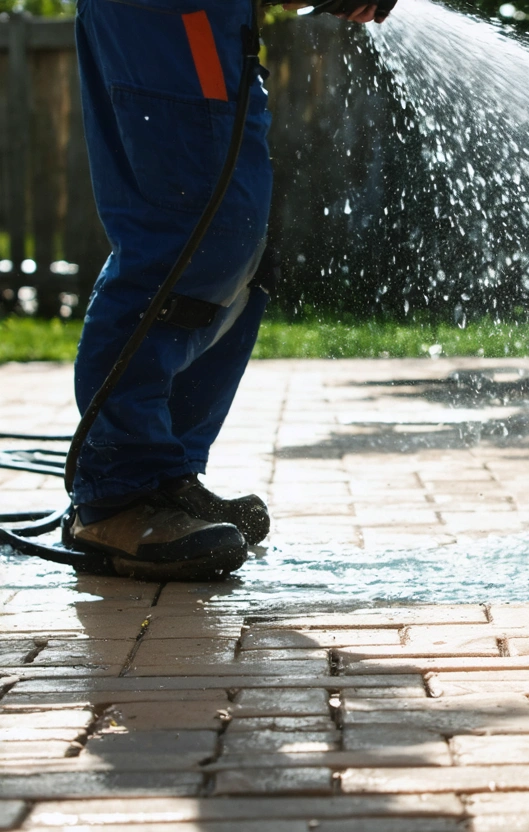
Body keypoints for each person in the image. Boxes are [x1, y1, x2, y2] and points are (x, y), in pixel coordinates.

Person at [64, 0, 390, 580]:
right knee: (185, 236)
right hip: (168, 19)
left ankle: (166, 478)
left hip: (205, 23)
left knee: (232, 243)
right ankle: (118, 494)